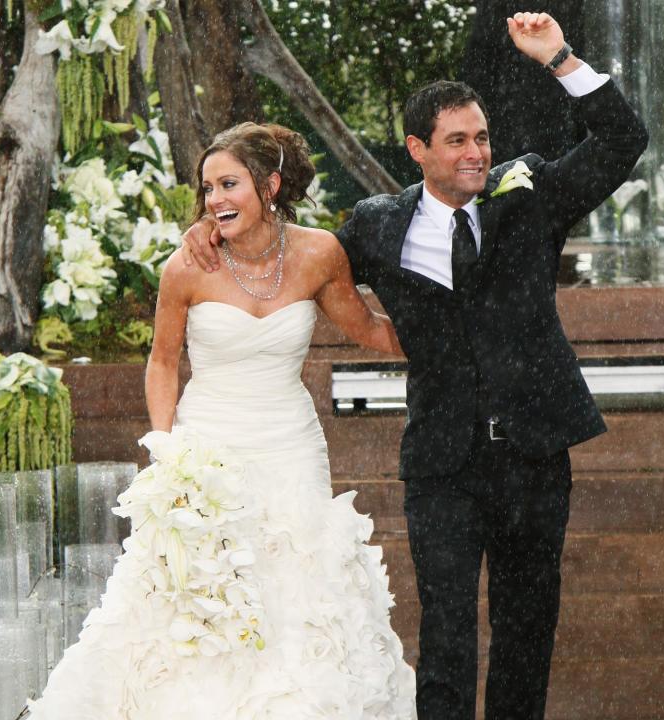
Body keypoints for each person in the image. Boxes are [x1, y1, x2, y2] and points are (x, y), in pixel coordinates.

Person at [182, 12, 649, 720]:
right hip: (442, 462)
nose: (475, 153)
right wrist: (216, 223)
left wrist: (559, 59)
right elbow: (294, 257)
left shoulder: (531, 195)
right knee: (447, 636)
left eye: (482, 138)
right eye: (457, 141)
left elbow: (623, 141)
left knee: (526, 634)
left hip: (534, 451)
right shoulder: (376, 223)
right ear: (416, 149)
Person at [26, 122, 417, 719]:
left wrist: (453, 338)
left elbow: (367, 329)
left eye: (228, 184)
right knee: (200, 595)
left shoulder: (319, 254)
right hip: (207, 448)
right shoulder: (186, 267)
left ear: (270, 185)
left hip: (290, 446)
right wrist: (167, 451)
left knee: (299, 592)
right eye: (207, 189)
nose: (215, 201)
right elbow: (161, 361)